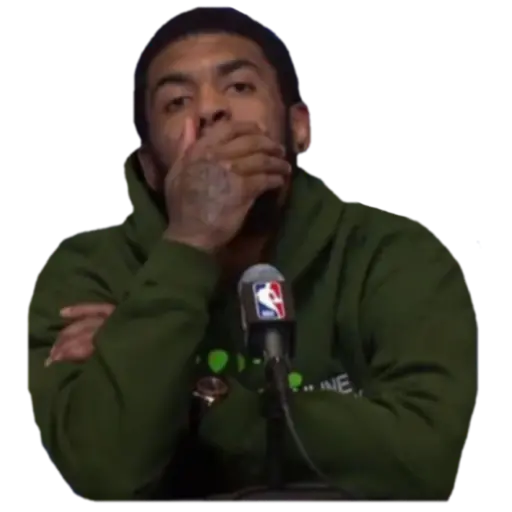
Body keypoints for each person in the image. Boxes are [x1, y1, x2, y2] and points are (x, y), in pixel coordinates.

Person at [24, 5, 478, 503]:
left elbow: (424, 459)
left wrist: (199, 393)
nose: (210, 110)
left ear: (299, 129)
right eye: (177, 102)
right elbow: (104, 472)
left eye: (239, 86)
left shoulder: (391, 253)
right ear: (150, 166)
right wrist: (190, 241)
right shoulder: (87, 271)